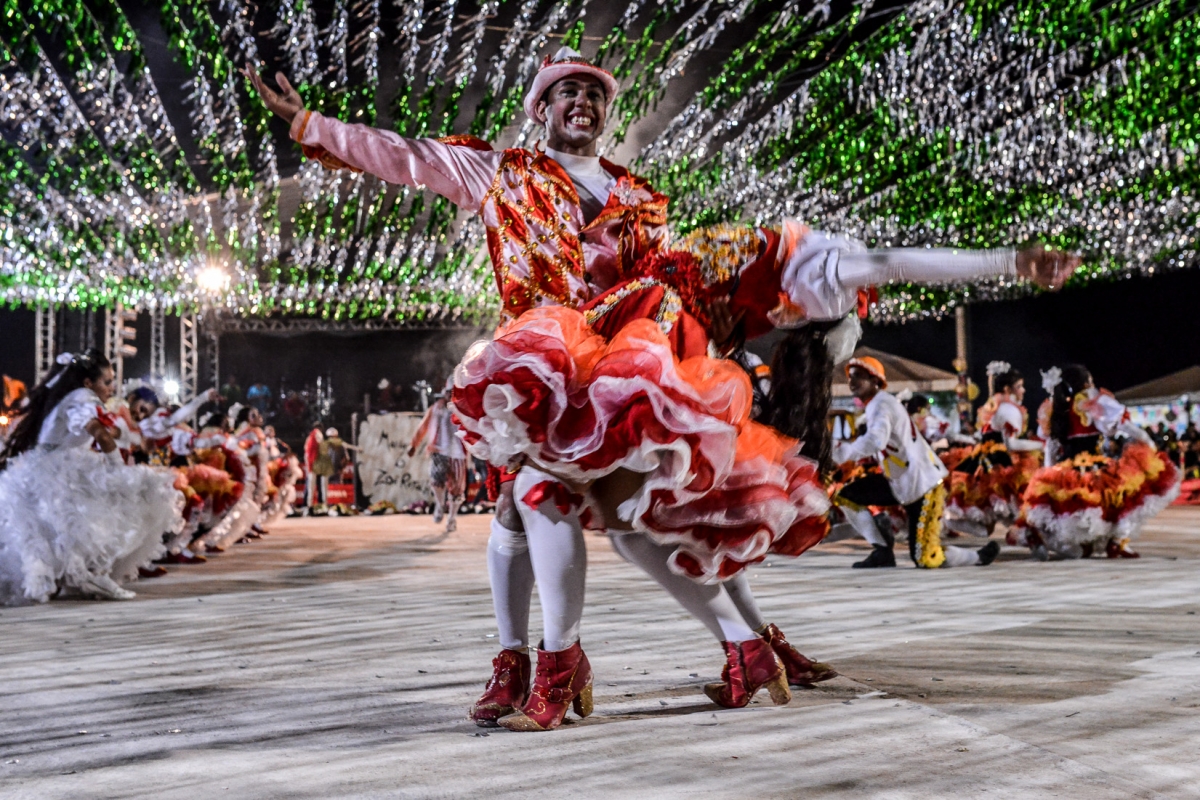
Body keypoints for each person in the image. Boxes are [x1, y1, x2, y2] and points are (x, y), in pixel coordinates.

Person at [250, 48, 1078, 731]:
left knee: (580, 505)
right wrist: (311, 125)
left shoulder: (648, 215)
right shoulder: (498, 172)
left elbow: (854, 263)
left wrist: (1004, 263)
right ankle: (575, 661)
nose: (582, 101)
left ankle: (584, 663)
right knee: (526, 506)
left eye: (593, 93)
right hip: (539, 368)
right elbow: (404, 156)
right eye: (566, 90)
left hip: (619, 379)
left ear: (606, 114)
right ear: (540, 108)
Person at [0, 350, 184, 604]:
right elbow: (100, 432)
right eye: (107, 382)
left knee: (58, 531)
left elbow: (108, 431)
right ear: (89, 383)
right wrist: (117, 469)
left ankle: (80, 578)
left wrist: (131, 440)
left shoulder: (63, 397)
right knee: (134, 498)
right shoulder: (82, 397)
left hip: (39, 470)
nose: (111, 388)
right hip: (60, 471)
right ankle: (93, 575)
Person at [831, 357, 1001, 569]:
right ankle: (882, 550)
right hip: (900, 482)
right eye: (850, 377)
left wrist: (842, 451)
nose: (852, 381)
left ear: (876, 381)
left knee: (925, 558)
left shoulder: (880, 404)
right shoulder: (879, 403)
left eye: (859, 376)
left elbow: (876, 440)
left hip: (923, 485)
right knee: (847, 496)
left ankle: (977, 557)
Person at [1018, 365, 1180, 559]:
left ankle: (1081, 545)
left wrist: (1047, 473)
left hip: (1066, 470)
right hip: (1094, 467)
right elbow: (1124, 426)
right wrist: (1148, 442)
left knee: (1078, 511)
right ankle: (1117, 541)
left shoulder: (1057, 406)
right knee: (1122, 499)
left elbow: (1050, 447)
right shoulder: (1091, 402)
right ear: (1087, 383)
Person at [943, 362, 1042, 537]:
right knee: (1019, 506)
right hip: (998, 462)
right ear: (1007, 389)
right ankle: (1029, 537)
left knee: (988, 518)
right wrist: (1041, 445)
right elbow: (1011, 444)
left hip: (983, 459)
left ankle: (957, 523)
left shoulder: (992, 406)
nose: (1023, 391)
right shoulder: (1008, 409)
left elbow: (982, 437)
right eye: (1019, 386)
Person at [408, 382, 467, 533]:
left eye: (453, 392)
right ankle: (440, 505)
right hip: (438, 451)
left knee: (457, 490)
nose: (450, 395)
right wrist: (413, 445)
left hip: (458, 454)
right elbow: (423, 427)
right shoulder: (436, 409)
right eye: (449, 392)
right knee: (436, 482)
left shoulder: (464, 409)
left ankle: (452, 518)